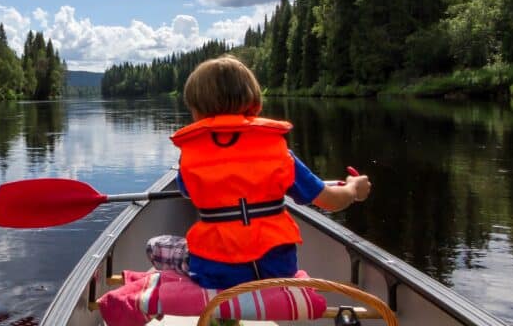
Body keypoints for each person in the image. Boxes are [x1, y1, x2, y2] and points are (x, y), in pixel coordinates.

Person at [146, 54, 371, 289]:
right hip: (277, 271)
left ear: (199, 112)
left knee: (155, 245)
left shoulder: (191, 156)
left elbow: (188, 192)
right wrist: (354, 189)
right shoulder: (279, 152)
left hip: (216, 273)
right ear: (253, 101)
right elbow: (332, 201)